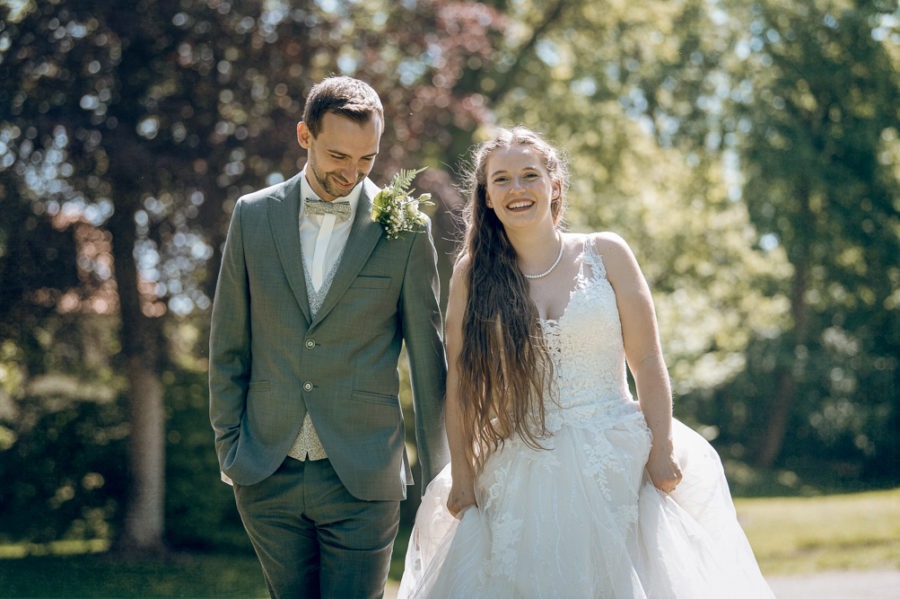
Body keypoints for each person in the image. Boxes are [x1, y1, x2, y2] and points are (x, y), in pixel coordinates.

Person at [398, 127, 774, 598]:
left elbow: (648, 360)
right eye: (502, 180)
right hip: (520, 463)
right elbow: (462, 384)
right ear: (487, 197)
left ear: (554, 184)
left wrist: (661, 449)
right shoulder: (472, 274)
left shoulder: (607, 253)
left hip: (618, 456)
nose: (517, 189)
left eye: (530, 175)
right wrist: (464, 475)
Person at [209, 76, 449, 599]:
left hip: (365, 475)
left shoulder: (406, 230)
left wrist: (441, 479)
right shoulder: (253, 216)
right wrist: (232, 451)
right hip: (265, 470)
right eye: (339, 155)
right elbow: (229, 344)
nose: (353, 172)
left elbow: (429, 363)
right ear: (305, 136)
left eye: (367, 159)